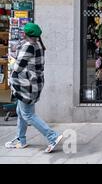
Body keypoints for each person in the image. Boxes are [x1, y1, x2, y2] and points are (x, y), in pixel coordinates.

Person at [5, 23, 63, 153]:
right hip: (33, 84)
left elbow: (18, 67)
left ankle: (52, 136)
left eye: (23, 32)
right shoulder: (38, 45)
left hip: (26, 86)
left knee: (28, 114)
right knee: (21, 112)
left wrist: (12, 60)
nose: (22, 34)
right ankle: (21, 139)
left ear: (25, 34)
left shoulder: (28, 46)